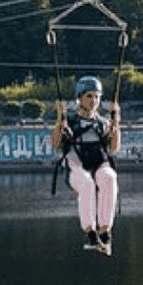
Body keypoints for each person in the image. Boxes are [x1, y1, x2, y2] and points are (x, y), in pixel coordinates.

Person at [51, 75, 121, 255]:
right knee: (87, 184)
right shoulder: (70, 122)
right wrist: (60, 120)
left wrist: (116, 123)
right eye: (89, 96)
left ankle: (105, 231)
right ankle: (90, 232)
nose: (94, 101)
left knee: (109, 178)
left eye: (97, 97)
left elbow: (113, 148)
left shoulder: (103, 124)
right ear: (79, 98)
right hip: (76, 166)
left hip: (98, 163)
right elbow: (56, 145)